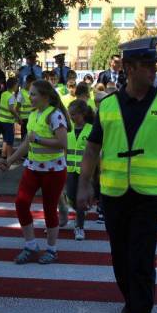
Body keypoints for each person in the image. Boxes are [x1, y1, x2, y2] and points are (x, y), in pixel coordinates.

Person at [77, 36, 157, 313]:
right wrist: (84, 184)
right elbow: (92, 149)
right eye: (147, 65)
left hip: (148, 195)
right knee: (120, 257)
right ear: (129, 68)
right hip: (113, 193)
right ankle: (133, 300)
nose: (154, 70)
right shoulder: (108, 105)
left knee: (141, 258)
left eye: (154, 65)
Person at [2, 80, 71, 265]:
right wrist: (10, 160)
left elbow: (63, 143)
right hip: (33, 168)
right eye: (30, 94)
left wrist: (38, 139)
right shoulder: (33, 115)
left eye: (33, 94)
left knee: (49, 209)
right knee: (21, 203)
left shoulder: (55, 115)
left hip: (53, 170)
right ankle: (31, 245)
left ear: (45, 96)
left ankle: (52, 250)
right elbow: (27, 143)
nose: (30, 97)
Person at [64, 99, 94, 240]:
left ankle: (79, 226)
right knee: (70, 196)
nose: (71, 117)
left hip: (85, 171)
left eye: (74, 114)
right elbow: (65, 150)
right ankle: (80, 211)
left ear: (82, 114)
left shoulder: (91, 129)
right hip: (70, 169)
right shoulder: (68, 130)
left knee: (78, 199)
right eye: (70, 114)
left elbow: (94, 152)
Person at [0, 77, 20, 159]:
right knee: (10, 140)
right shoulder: (11, 96)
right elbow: (11, 109)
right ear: (14, 86)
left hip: (0, 120)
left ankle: (3, 154)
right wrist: (18, 117)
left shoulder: (3, 94)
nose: (17, 87)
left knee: (5, 138)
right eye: (17, 85)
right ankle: (9, 157)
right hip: (8, 122)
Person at [18, 73, 36, 139]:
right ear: (27, 83)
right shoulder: (21, 92)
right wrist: (18, 118)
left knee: (32, 136)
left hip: (33, 118)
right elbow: (17, 107)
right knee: (24, 137)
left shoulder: (35, 92)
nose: (33, 86)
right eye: (32, 84)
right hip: (24, 119)